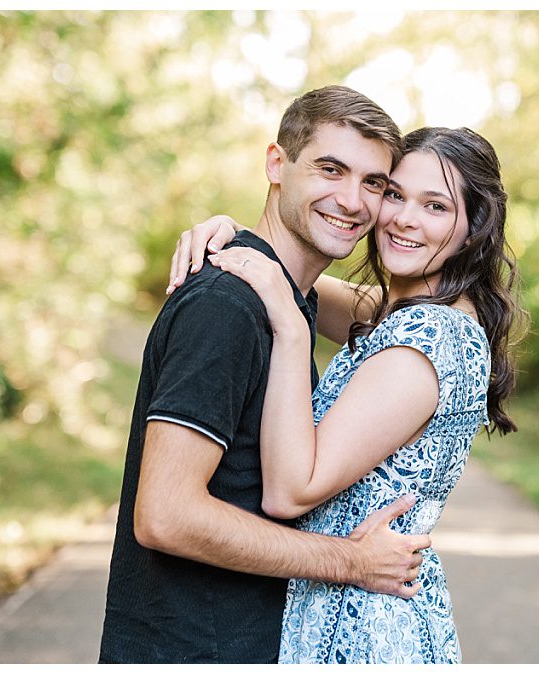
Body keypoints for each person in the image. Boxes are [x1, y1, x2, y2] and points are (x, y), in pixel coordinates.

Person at [99, 86, 434, 665]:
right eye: (331, 169)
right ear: (277, 164)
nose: (352, 201)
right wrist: (351, 561)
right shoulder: (227, 307)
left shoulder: (286, 301)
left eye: (373, 183)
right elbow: (165, 515)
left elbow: (418, 322)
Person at [167, 126, 522, 663]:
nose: (404, 218)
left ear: (473, 230)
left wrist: (290, 329)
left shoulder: (425, 341)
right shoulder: (407, 315)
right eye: (395, 194)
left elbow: (290, 491)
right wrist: (235, 236)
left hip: (364, 631)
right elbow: (294, 276)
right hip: (349, 612)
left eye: (436, 206)